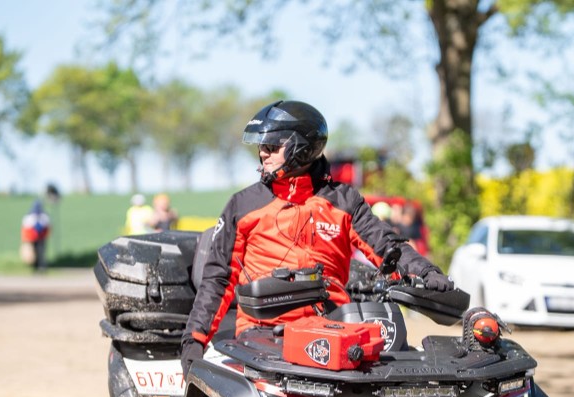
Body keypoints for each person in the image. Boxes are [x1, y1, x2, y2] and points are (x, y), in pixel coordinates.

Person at [181, 100, 453, 373]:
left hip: (335, 333)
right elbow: (217, 280)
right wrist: (194, 340)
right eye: (261, 147)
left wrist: (426, 272)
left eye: (272, 147)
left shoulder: (344, 201)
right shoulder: (243, 205)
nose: (263, 153)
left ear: (302, 149)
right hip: (262, 339)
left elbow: (385, 244)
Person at [20, 200, 51, 272]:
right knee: (33, 253)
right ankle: (35, 267)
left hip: (41, 238)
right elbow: (25, 229)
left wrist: (45, 235)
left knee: (41, 253)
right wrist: (25, 239)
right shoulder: (29, 217)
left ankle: (42, 267)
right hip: (32, 238)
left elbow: (48, 227)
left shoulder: (44, 216)